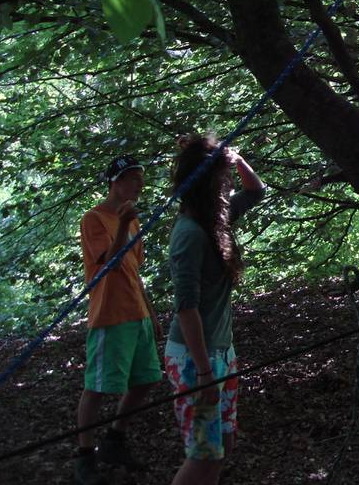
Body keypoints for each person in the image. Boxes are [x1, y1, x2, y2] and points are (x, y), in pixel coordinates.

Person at [165, 135, 265, 485]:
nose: (227, 187)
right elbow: (186, 308)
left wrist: (235, 160)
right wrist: (205, 373)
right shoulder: (190, 233)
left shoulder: (216, 219)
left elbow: (256, 191)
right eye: (221, 180)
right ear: (205, 185)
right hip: (195, 360)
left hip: (220, 352)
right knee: (204, 455)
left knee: (223, 442)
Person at [75, 155, 163, 485]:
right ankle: (84, 456)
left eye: (141, 178)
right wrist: (124, 224)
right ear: (116, 182)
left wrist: (151, 313)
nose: (140, 184)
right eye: (133, 179)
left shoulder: (133, 219)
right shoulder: (94, 219)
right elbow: (108, 262)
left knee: (147, 379)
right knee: (98, 387)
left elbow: (133, 270)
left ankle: (115, 439)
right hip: (109, 314)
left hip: (136, 311)